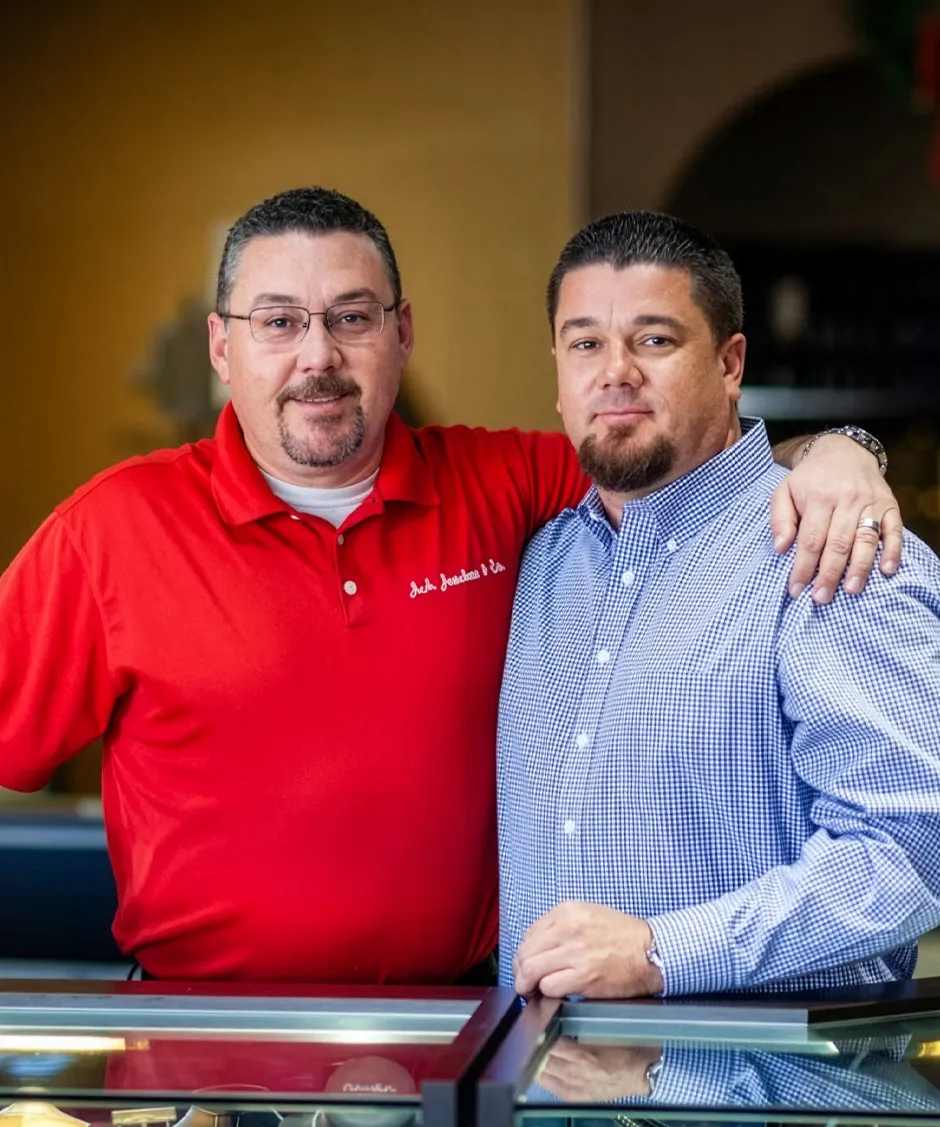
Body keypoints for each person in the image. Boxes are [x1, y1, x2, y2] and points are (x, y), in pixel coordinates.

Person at [0, 188, 902, 983]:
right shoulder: (111, 528)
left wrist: (840, 454)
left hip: (457, 1036)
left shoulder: (503, 487)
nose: (317, 355)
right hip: (204, 1043)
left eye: (352, 317)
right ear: (221, 346)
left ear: (402, 332)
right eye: (277, 321)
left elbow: (671, 455)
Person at [500, 210, 940, 1000]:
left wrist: (667, 951)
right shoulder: (536, 564)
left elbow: (914, 849)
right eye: (585, 343)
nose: (616, 371)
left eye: (655, 339)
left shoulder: (834, 544)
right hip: (540, 1094)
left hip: (761, 1096)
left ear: (731, 362)